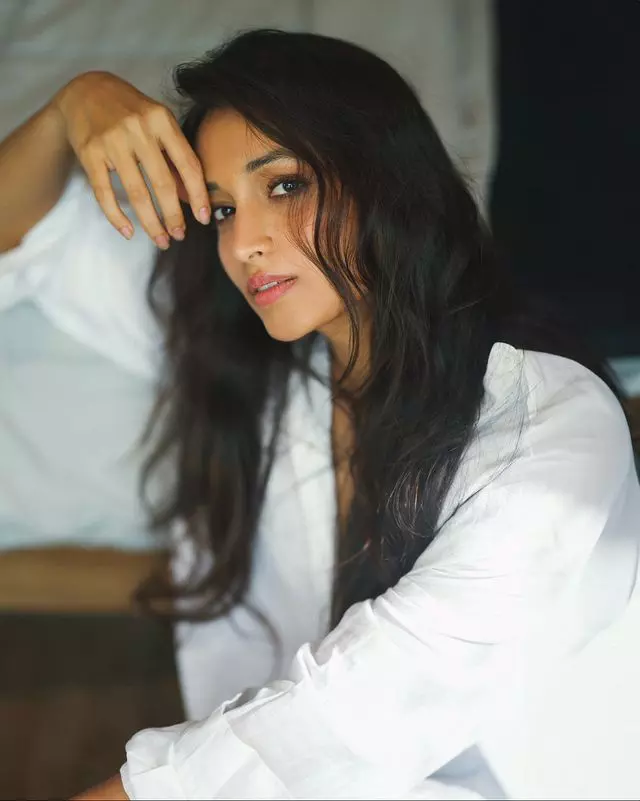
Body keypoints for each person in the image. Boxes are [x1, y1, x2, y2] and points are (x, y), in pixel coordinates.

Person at [1, 29, 638, 801]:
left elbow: (363, 709)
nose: (244, 242)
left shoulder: (551, 429)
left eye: (285, 186)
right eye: (223, 208)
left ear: (387, 179)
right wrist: (68, 109)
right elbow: (15, 236)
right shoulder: (250, 365)